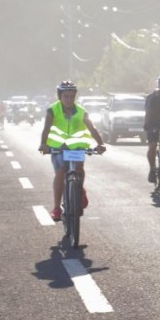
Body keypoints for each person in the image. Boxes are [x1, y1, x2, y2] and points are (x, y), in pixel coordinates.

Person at [38, 81, 107, 221]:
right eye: (66, 96)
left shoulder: (81, 111)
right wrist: (43, 144)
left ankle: (79, 191)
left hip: (77, 147)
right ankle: (57, 208)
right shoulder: (52, 110)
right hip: (58, 147)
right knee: (61, 170)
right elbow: (46, 128)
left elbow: (92, 129)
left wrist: (100, 144)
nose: (69, 100)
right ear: (60, 96)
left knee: (79, 168)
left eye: (72, 96)